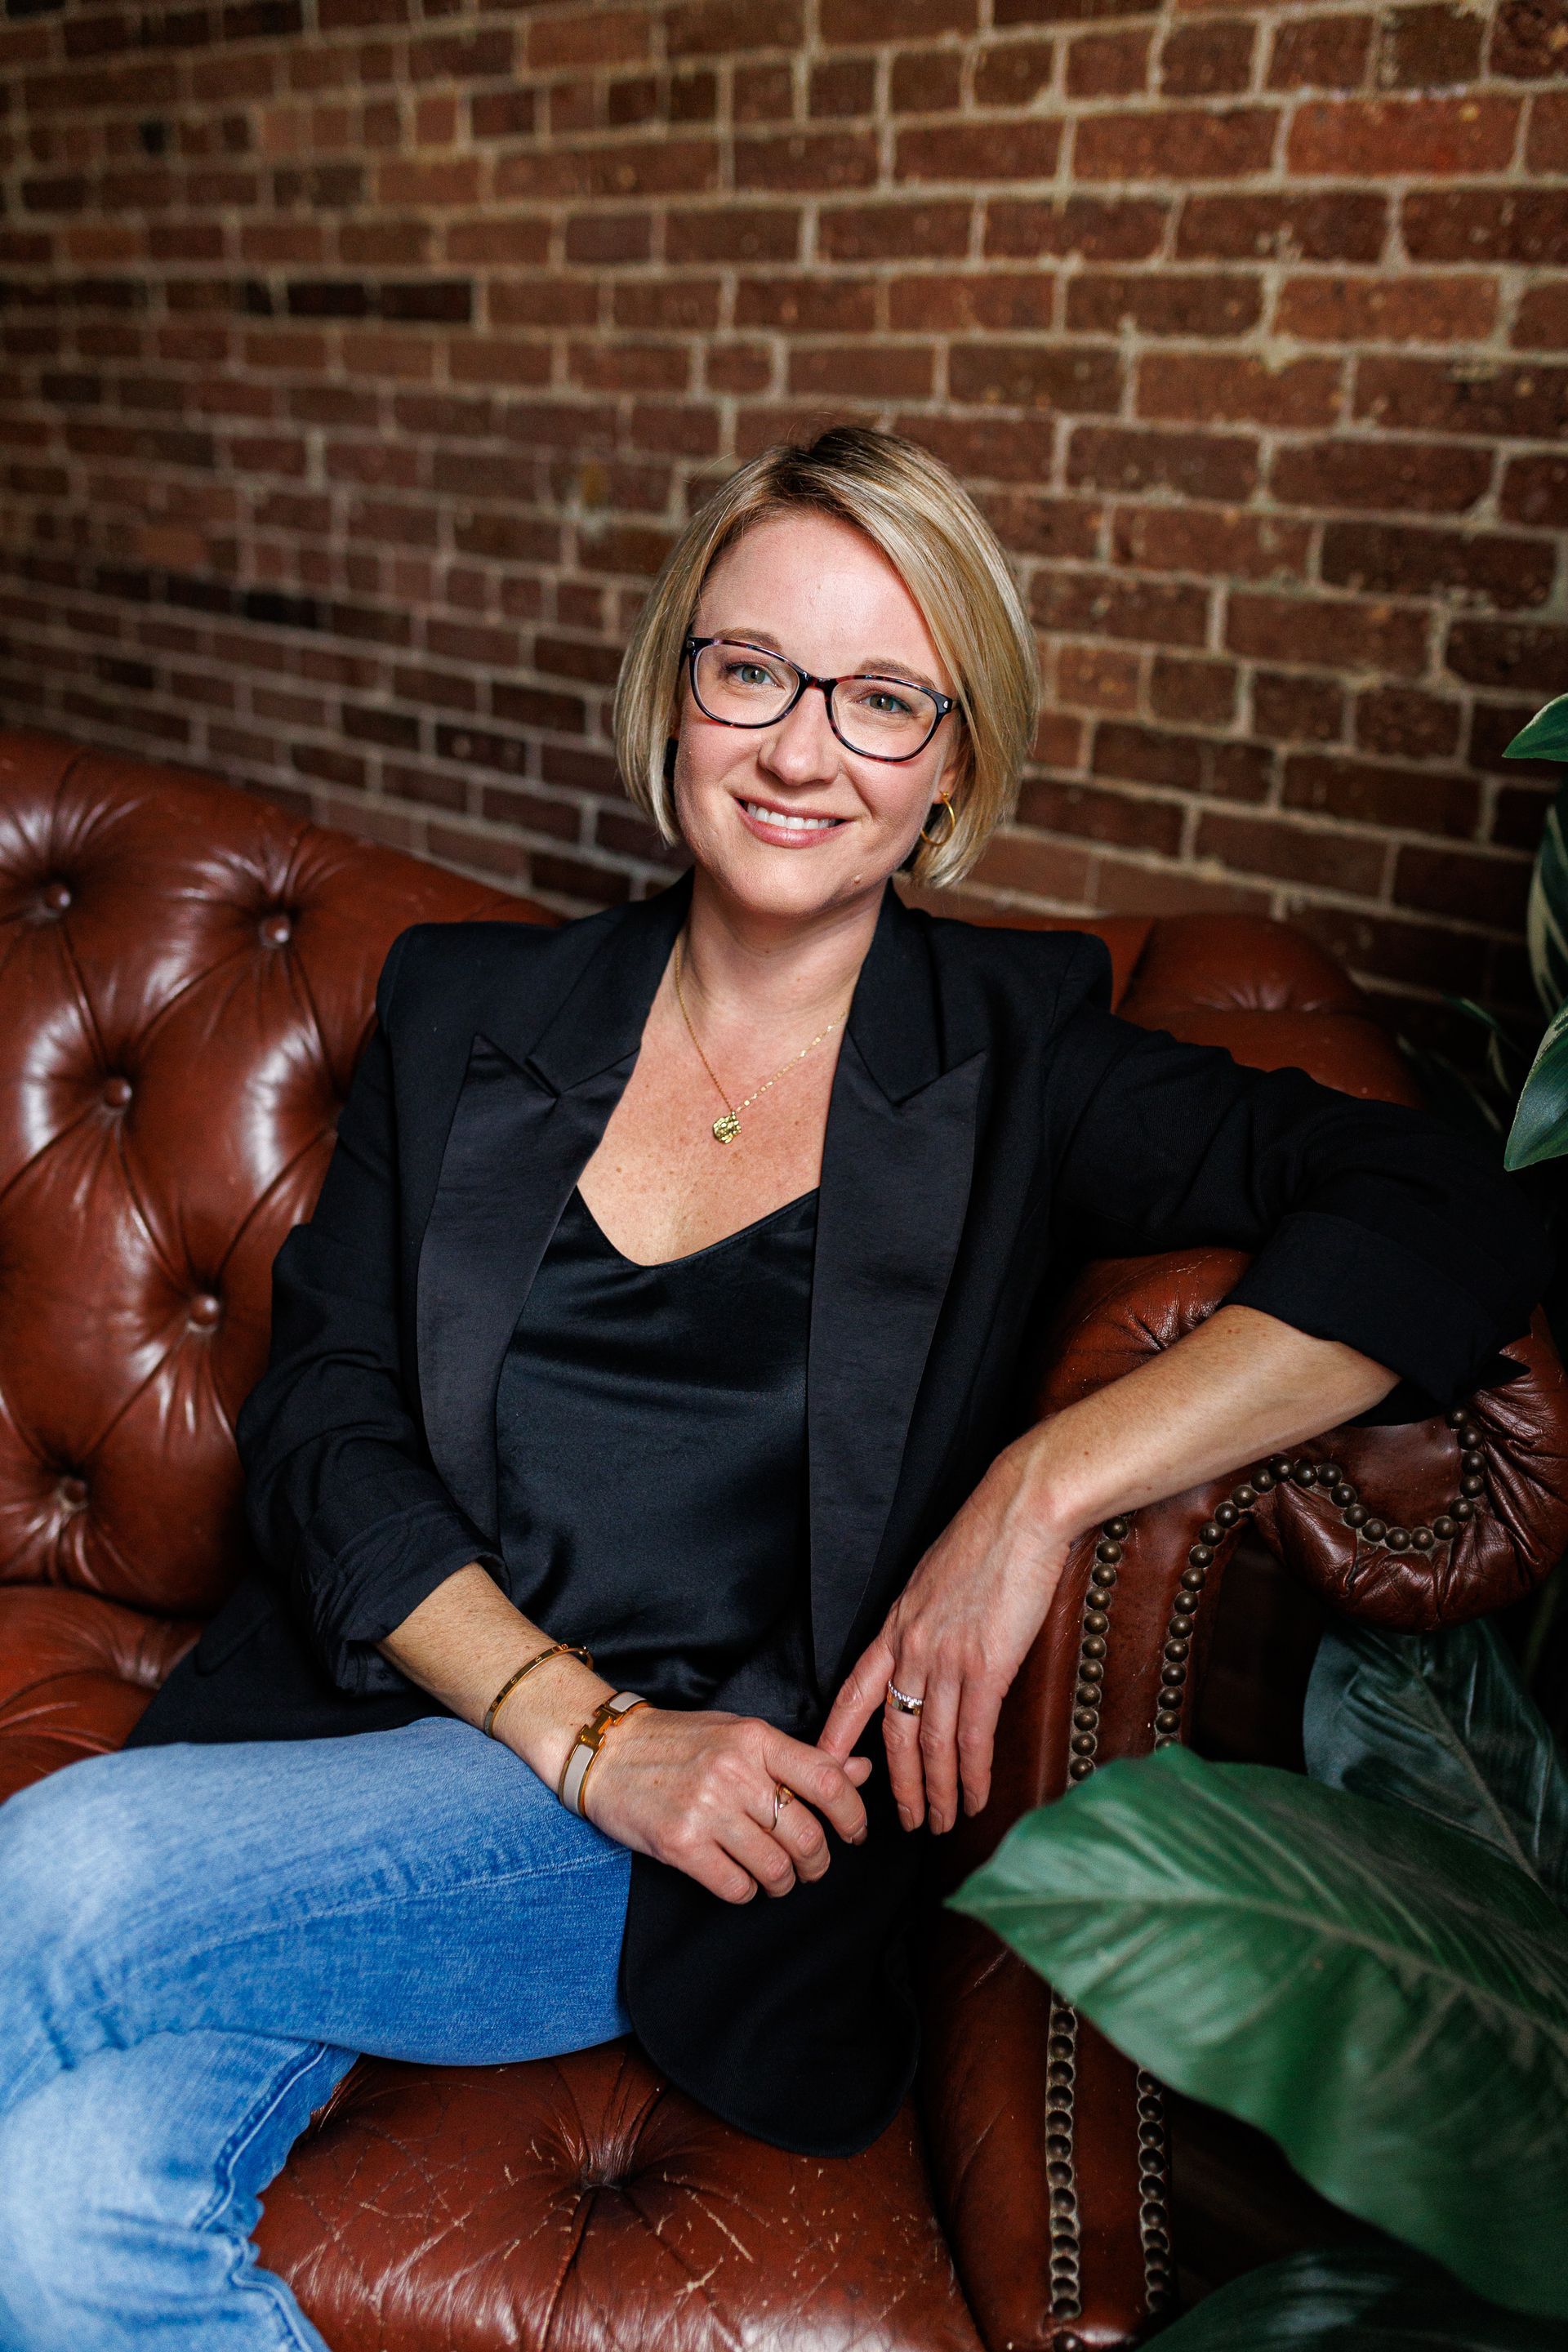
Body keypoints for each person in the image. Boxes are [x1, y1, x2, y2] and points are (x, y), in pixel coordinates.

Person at [0, 425, 1549, 2351]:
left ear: (957, 762)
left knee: (54, 1873)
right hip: (392, 1727)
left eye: (884, 700)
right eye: (754, 671)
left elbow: (1449, 1210)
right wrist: (577, 1726)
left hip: (697, 1845)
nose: (803, 750)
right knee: (51, 2230)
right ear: (677, 688)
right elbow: (325, 1433)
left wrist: (1040, 1487)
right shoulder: (473, 1013)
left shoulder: (1018, 1057)